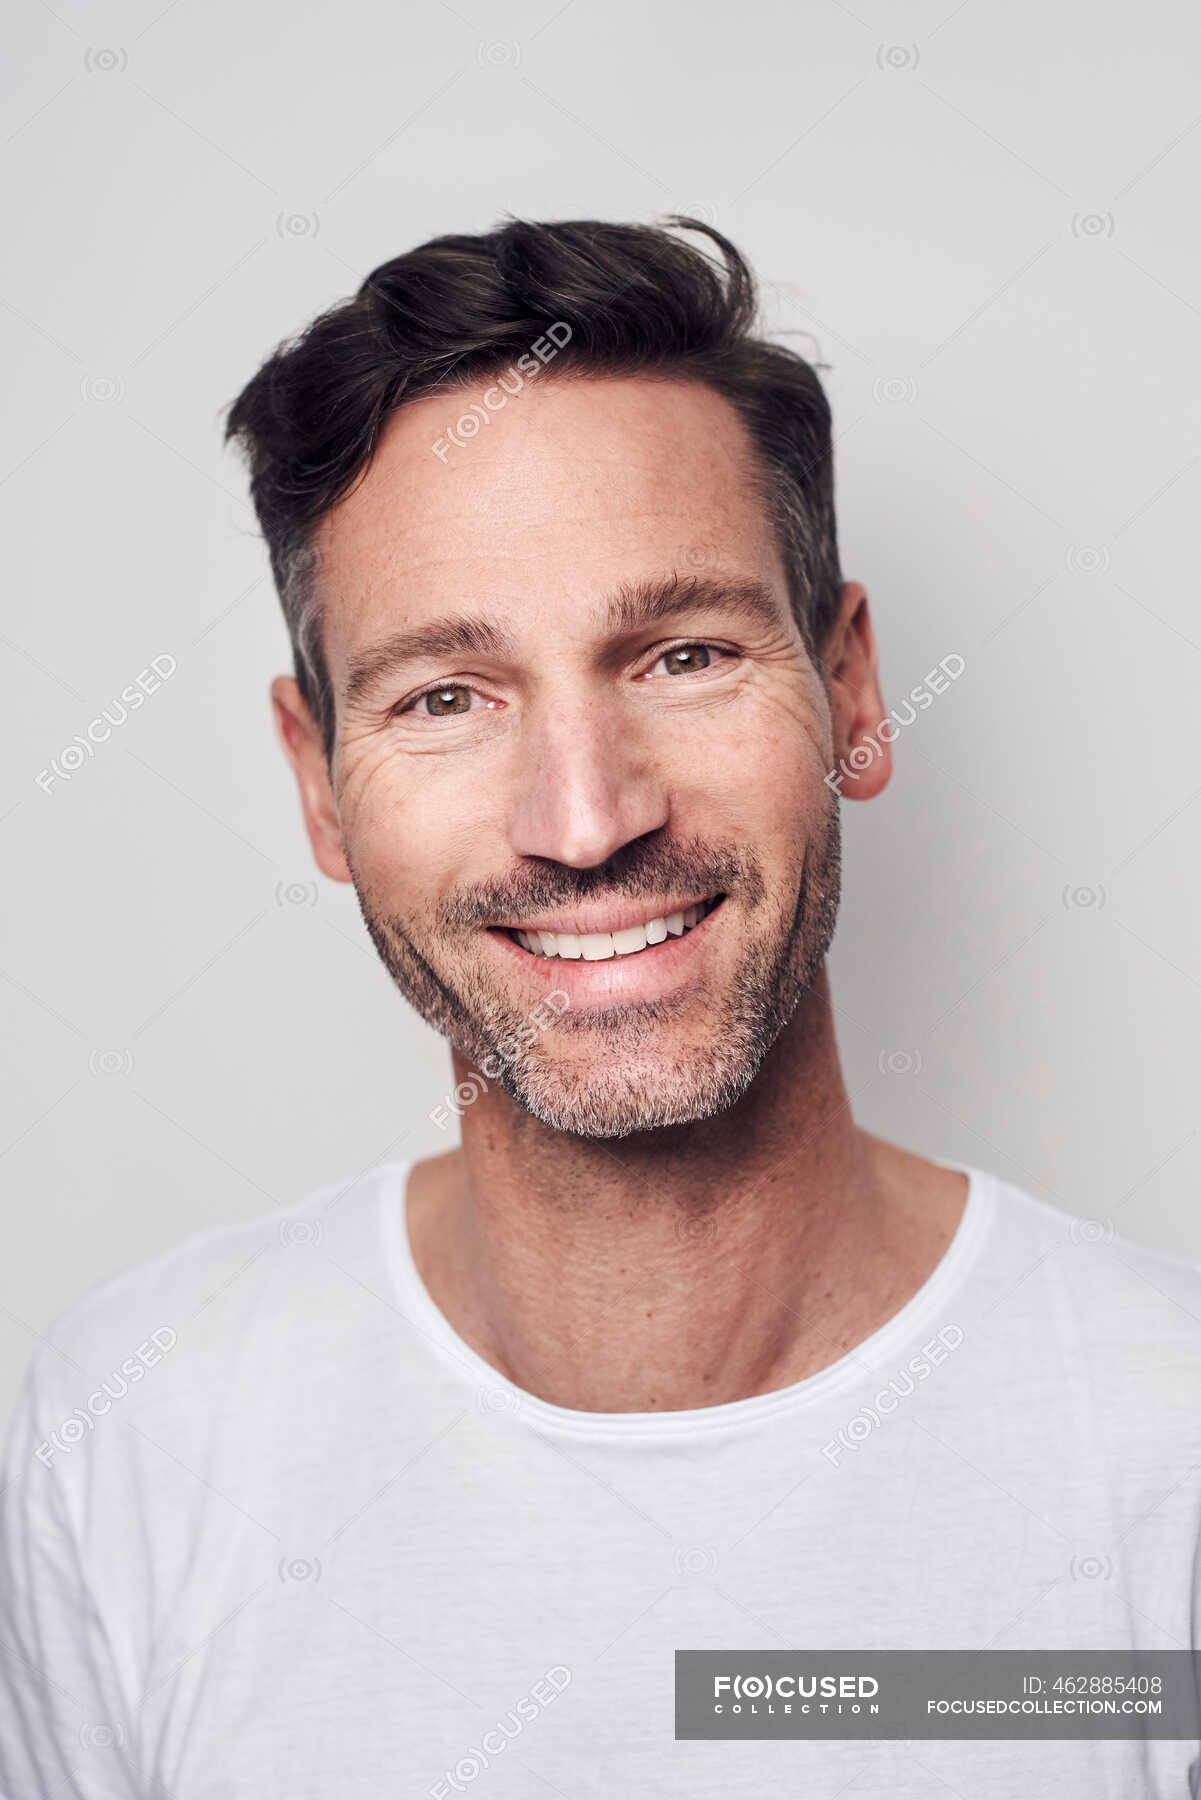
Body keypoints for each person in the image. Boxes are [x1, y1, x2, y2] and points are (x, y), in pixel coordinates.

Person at [3, 216, 1200, 1798]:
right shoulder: (133, 1432)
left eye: (683, 654)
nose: (583, 820)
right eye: (444, 697)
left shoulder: (1165, 1445)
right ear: (318, 784)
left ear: (849, 694)